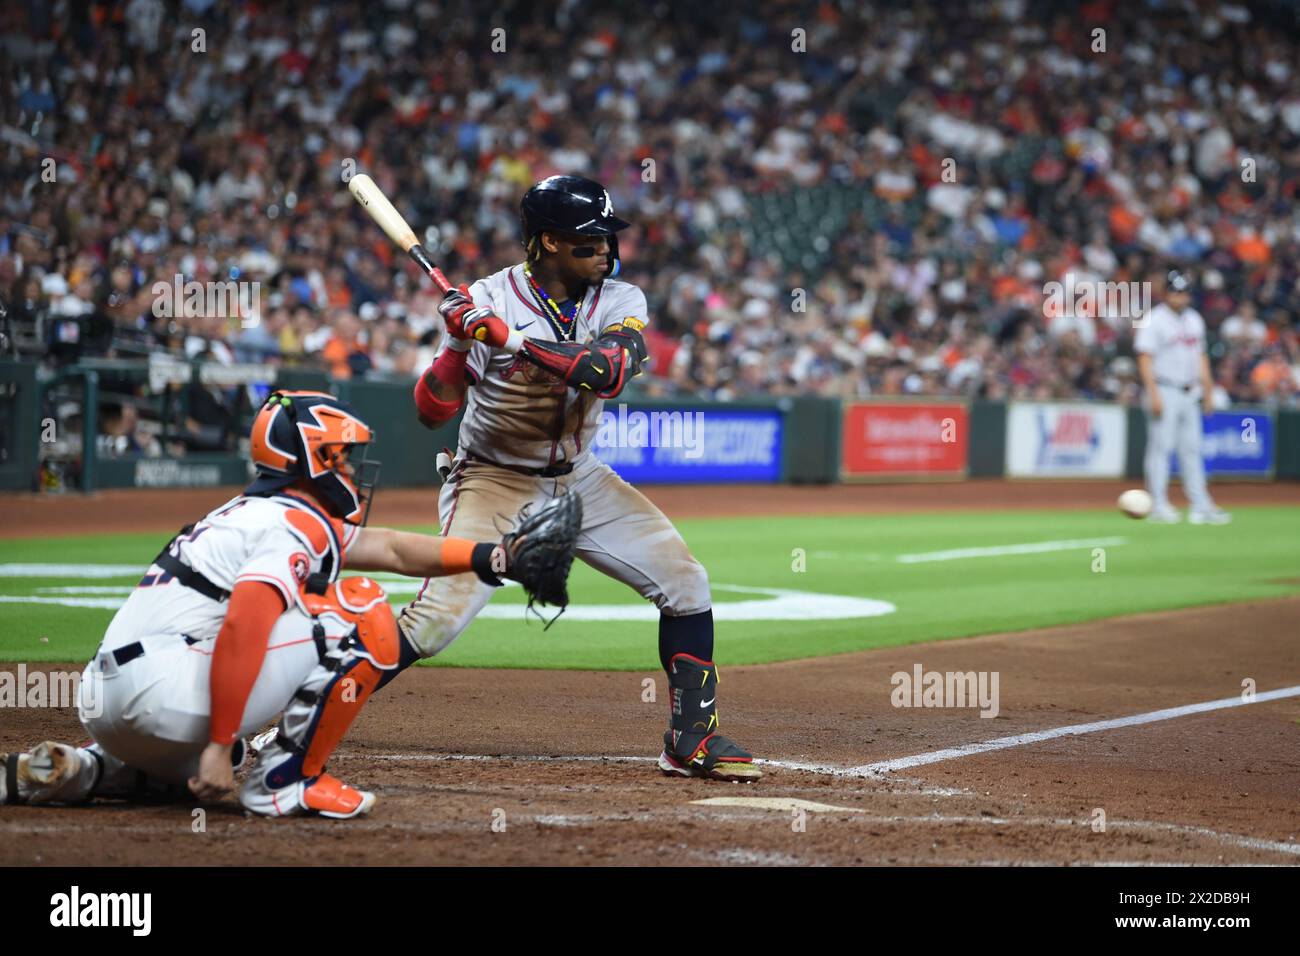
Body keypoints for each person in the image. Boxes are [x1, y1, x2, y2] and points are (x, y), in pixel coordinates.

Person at [2, 390, 576, 817]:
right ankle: (285, 779)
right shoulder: (293, 524)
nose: (350, 467)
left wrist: (494, 557)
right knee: (361, 606)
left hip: (110, 705)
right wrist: (222, 740)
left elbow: (393, 547)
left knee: (206, 768)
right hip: (164, 694)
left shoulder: (258, 513)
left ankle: (88, 768)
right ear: (309, 458)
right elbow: (247, 625)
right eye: (341, 455)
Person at [389, 175, 761, 781]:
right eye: (588, 243)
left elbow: (608, 372)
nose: (605, 253)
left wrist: (512, 341)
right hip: (495, 478)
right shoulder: (489, 298)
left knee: (685, 582)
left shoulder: (619, 299)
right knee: (434, 624)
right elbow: (431, 412)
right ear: (544, 244)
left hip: (579, 476)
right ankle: (297, 713)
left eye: (608, 241)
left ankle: (691, 738)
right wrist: (458, 343)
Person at [1134, 271, 1231, 524]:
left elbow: (1201, 358)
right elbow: (1144, 358)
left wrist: (1208, 391)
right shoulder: (1153, 319)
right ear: (1166, 293)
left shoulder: (1194, 319)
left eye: (1185, 292)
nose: (1181, 297)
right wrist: (1153, 393)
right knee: (1161, 448)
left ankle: (1201, 505)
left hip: (1191, 391)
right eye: (1176, 291)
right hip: (1164, 388)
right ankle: (1158, 504)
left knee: (1192, 450)